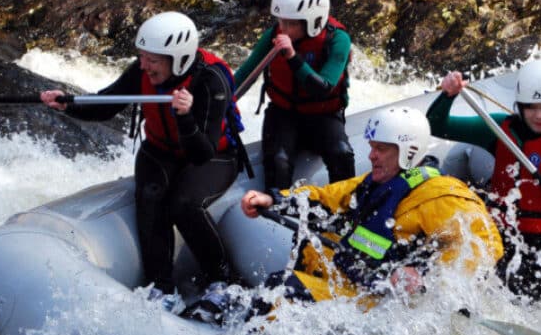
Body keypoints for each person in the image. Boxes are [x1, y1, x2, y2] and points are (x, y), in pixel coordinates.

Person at [185, 106, 503, 323]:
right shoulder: (376, 183)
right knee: (276, 286)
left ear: (407, 151)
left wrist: (425, 275)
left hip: (377, 304)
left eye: (381, 149)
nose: (371, 155)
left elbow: (486, 243)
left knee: (281, 291)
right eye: (372, 146)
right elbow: (325, 198)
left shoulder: (442, 195)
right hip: (353, 286)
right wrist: (274, 200)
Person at [40, 11, 243, 307]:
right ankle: (162, 287)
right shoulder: (142, 70)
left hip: (212, 157)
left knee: (184, 204)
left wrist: (185, 117)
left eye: (153, 60)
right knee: (150, 196)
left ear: (179, 58)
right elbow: (106, 104)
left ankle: (222, 281)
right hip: (160, 152)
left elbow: (203, 152)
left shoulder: (210, 81)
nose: (144, 65)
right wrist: (66, 104)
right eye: (142, 57)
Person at [427, 59, 541, 301]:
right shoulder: (499, 130)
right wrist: (448, 95)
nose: (539, 116)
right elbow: (436, 125)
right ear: (520, 106)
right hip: (495, 234)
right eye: (531, 107)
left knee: (517, 300)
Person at [234, 0, 356, 191]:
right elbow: (246, 72)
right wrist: (221, 98)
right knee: (278, 160)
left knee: (341, 153)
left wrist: (292, 57)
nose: (283, 28)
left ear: (314, 21)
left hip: (323, 114)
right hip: (283, 113)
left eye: (290, 23)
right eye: (281, 21)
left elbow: (323, 88)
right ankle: (276, 213)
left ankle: (345, 209)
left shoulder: (337, 40)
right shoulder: (274, 33)